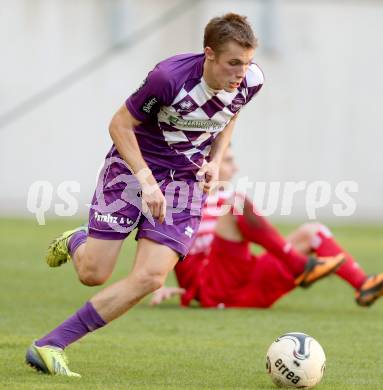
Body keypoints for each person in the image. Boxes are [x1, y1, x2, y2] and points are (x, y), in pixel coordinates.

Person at [26, 13, 265, 377]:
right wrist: (146, 179)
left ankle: (51, 344)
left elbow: (232, 114)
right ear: (209, 54)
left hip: (184, 183)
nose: (240, 73)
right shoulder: (168, 79)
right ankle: (77, 241)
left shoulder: (250, 81)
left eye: (246, 64)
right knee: (93, 273)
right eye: (233, 63)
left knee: (151, 277)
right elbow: (119, 124)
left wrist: (215, 160)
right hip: (131, 172)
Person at [151, 148, 383, 308]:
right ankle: (299, 265)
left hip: (247, 281)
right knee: (237, 204)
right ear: (208, 164)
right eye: (228, 160)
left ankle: (364, 285)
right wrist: (157, 284)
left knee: (312, 232)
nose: (235, 167)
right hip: (216, 288)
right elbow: (165, 246)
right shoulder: (183, 201)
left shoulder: (230, 198)